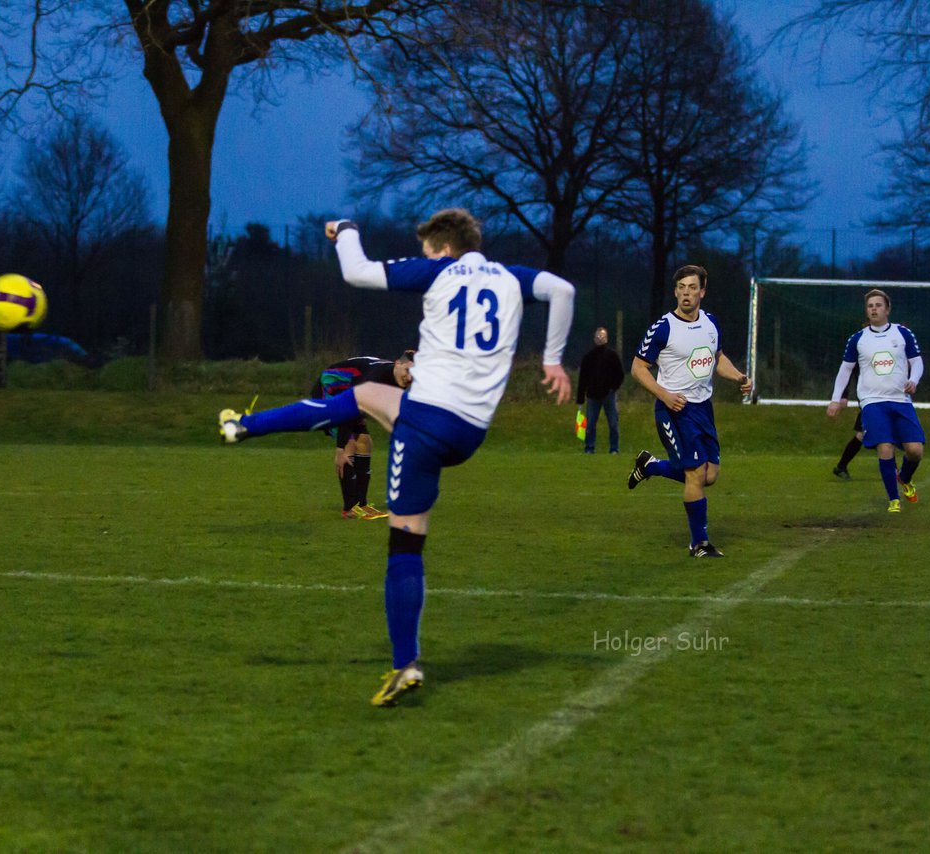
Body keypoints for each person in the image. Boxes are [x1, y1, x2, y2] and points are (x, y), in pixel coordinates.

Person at [218, 208, 574, 706]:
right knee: (364, 394)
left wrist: (344, 231)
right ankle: (245, 425)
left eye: (428, 251)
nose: (425, 259)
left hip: (426, 424)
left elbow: (356, 271)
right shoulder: (512, 278)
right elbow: (564, 291)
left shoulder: (440, 270)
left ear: (445, 249)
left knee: (405, 544)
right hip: (469, 429)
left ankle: (405, 664)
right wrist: (553, 359)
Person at [626, 264, 752, 558]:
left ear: (702, 292)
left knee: (709, 476)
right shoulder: (663, 328)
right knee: (695, 474)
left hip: (703, 410)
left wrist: (739, 377)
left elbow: (717, 358)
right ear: (675, 292)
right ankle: (700, 543)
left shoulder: (711, 323)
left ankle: (650, 466)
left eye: (692, 288)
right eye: (681, 288)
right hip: (674, 411)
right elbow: (637, 368)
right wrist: (665, 395)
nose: (686, 293)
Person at [825, 288, 924, 512]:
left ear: (887, 309)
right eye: (870, 306)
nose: (874, 309)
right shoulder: (858, 339)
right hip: (872, 402)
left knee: (915, 450)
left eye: (878, 305)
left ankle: (905, 478)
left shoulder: (903, 333)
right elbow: (845, 370)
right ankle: (894, 500)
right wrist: (835, 399)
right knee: (885, 446)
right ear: (866, 311)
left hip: (901, 400)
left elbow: (917, 362)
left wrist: (914, 380)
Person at [310, 351, 415, 520]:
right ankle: (349, 508)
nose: (410, 378)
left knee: (365, 443)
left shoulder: (395, 380)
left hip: (350, 393)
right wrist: (340, 449)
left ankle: (362, 505)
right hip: (329, 389)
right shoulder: (375, 381)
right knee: (349, 444)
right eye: (408, 371)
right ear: (397, 364)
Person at [575, 326, 624, 454]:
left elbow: (620, 375)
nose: (600, 339)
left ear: (606, 339)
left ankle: (614, 449)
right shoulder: (588, 358)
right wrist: (580, 398)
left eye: (602, 337)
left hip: (609, 395)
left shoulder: (612, 356)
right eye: (598, 337)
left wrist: (613, 388)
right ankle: (589, 448)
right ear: (594, 339)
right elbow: (582, 379)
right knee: (590, 424)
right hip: (592, 396)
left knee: (613, 424)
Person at [832, 407, 863, 480]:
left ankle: (841, 466)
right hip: (873, 406)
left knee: (861, 436)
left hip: (879, 406)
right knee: (862, 436)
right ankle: (841, 467)